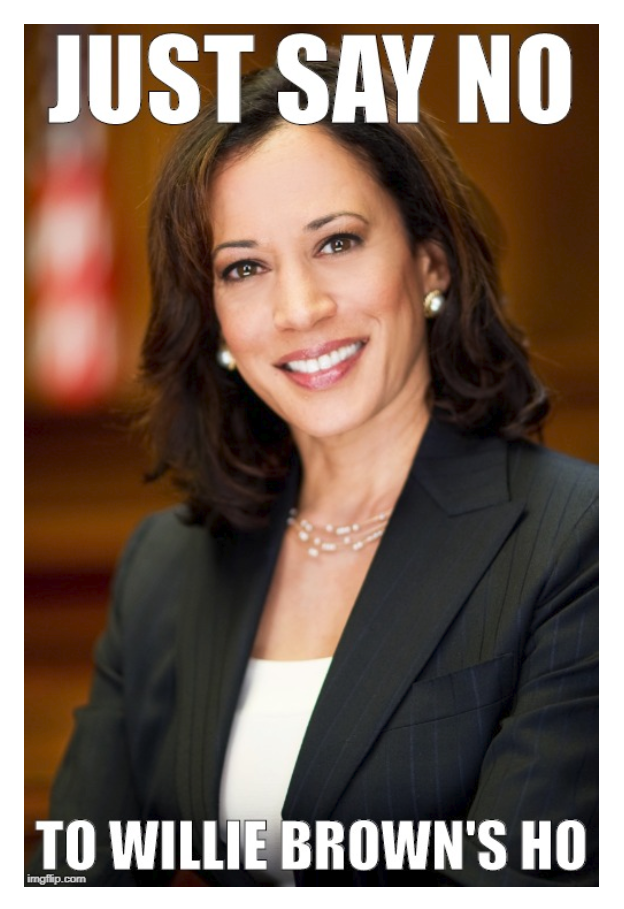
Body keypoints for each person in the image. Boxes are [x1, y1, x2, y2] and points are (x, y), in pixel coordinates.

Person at [27, 53, 598, 886]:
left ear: (431, 261)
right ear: (215, 319)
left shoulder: (576, 538)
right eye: (245, 267)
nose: (299, 309)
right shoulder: (164, 567)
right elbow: (75, 879)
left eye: (337, 241)